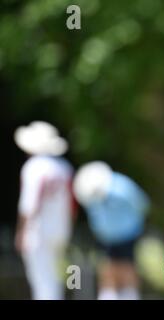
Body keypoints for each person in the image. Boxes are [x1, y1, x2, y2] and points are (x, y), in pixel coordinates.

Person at [14, 121, 74, 300]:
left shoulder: (33, 168)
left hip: (38, 231)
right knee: (55, 278)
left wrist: (21, 232)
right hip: (61, 229)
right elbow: (72, 204)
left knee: (41, 279)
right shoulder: (64, 167)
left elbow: (28, 205)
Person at [73, 161, 150, 300]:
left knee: (126, 267)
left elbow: (142, 204)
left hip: (128, 234)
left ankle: (130, 295)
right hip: (106, 237)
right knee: (107, 267)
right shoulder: (89, 192)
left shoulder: (122, 188)